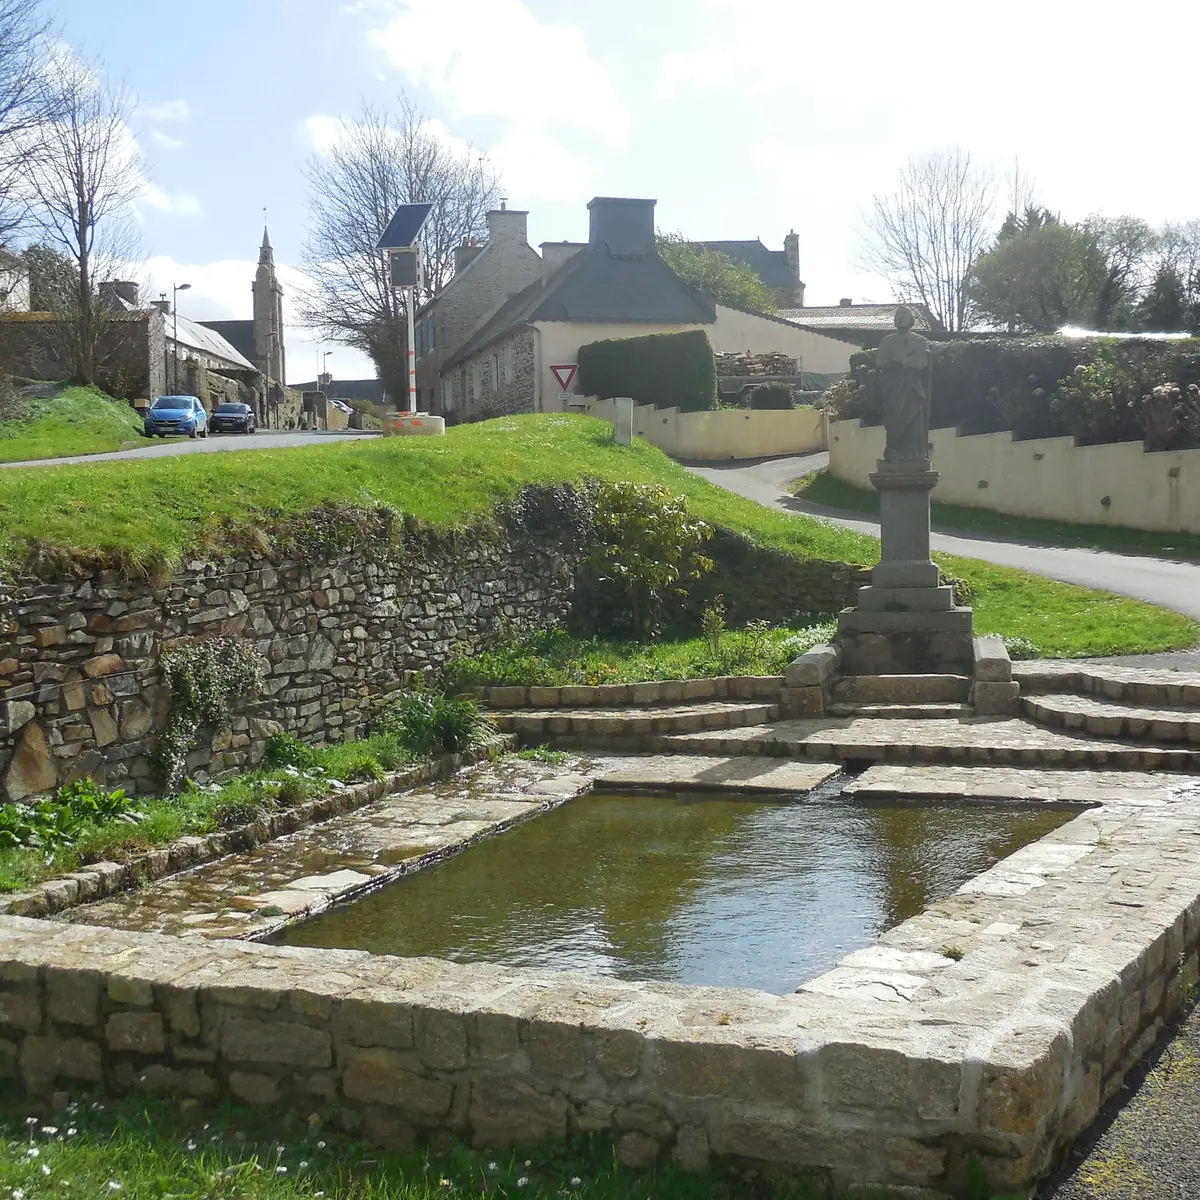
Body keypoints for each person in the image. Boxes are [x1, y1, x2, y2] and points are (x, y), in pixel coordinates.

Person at [877, 305, 933, 464]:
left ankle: (915, 454)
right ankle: (894, 452)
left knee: (913, 422)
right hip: (893, 391)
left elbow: (922, 362)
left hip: (913, 391)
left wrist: (900, 360)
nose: (900, 317)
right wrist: (906, 360)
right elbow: (881, 362)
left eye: (904, 315)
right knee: (894, 422)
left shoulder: (920, 341)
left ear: (911, 320)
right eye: (897, 315)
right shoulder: (887, 341)